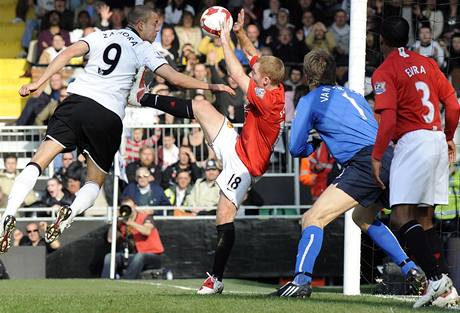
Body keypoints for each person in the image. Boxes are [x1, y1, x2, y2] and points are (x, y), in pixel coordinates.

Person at [0, 5, 233, 254]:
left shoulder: (103, 34)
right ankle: (72, 211)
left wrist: (39, 81)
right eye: (155, 23)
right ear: (140, 24)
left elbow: (68, 52)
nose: (158, 28)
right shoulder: (145, 49)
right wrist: (211, 86)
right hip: (107, 114)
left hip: (76, 102)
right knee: (94, 181)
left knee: (38, 161)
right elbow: (175, 79)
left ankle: (9, 213)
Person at [133, 9, 285, 294]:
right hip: (239, 145)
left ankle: (215, 279)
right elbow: (252, 57)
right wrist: (239, 32)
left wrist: (224, 38)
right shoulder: (269, 79)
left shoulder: (267, 99)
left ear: (264, 82)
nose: (254, 72)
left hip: (246, 166)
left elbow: (236, 72)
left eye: (257, 74)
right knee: (202, 106)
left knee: (224, 213)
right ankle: (142, 97)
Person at [273, 49, 423, 299]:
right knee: (363, 217)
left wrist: (316, 142)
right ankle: (410, 269)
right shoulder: (353, 95)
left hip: (364, 163)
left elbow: (296, 148)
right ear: (334, 72)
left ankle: (301, 282)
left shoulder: (309, 101)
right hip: (389, 158)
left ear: (308, 76)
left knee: (312, 218)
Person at [370, 16, 460, 308]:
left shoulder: (385, 71)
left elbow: (389, 120)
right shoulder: (428, 63)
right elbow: (454, 105)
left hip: (413, 143)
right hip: (436, 138)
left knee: (399, 217)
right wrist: (448, 137)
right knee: (425, 219)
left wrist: (376, 155)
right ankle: (448, 292)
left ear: (381, 39)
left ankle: (435, 279)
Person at [101, 197, 164, 279]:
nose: (128, 210)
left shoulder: (146, 217)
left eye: (129, 208)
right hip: (132, 256)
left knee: (140, 256)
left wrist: (131, 223)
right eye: (125, 208)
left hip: (152, 255)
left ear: (135, 207)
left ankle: (127, 279)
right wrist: (115, 221)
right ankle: (105, 280)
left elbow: (147, 231)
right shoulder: (122, 222)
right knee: (110, 256)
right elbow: (110, 239)